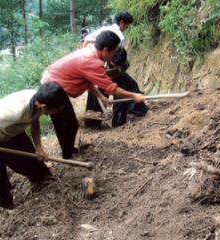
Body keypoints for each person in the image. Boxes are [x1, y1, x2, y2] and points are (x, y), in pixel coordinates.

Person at [40, 30, 144, 159]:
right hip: (52, 86)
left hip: (57, 81)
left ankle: (68, 151)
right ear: (106, 50)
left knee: (70, 123)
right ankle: (67, 156)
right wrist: (134, 96)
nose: (112, 56)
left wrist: (101, 97)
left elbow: (87, 82)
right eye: (112, 52)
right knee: (66, 123)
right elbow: (111, 88)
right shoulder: (92, 61)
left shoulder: (91, 52)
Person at [0, 83, 68, 209]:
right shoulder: (13, 112)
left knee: (33, 164)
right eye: (57, 109)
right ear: (44, 107)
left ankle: (40, 178)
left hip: (14, 131)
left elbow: (34, 121)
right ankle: (2, 205)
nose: (58, 112)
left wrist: (39, 147)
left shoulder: (39, 100)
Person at [85, 47, 148, 128]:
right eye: (114, 63)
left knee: (129, 84)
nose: (117, 66)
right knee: (95, 92)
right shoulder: (97, 58)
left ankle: (120, 122)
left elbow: (120, 72)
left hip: (114, 76)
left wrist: (113, 81)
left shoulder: (123, 62)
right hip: (99, 77)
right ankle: (92, 123)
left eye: (119, 65)